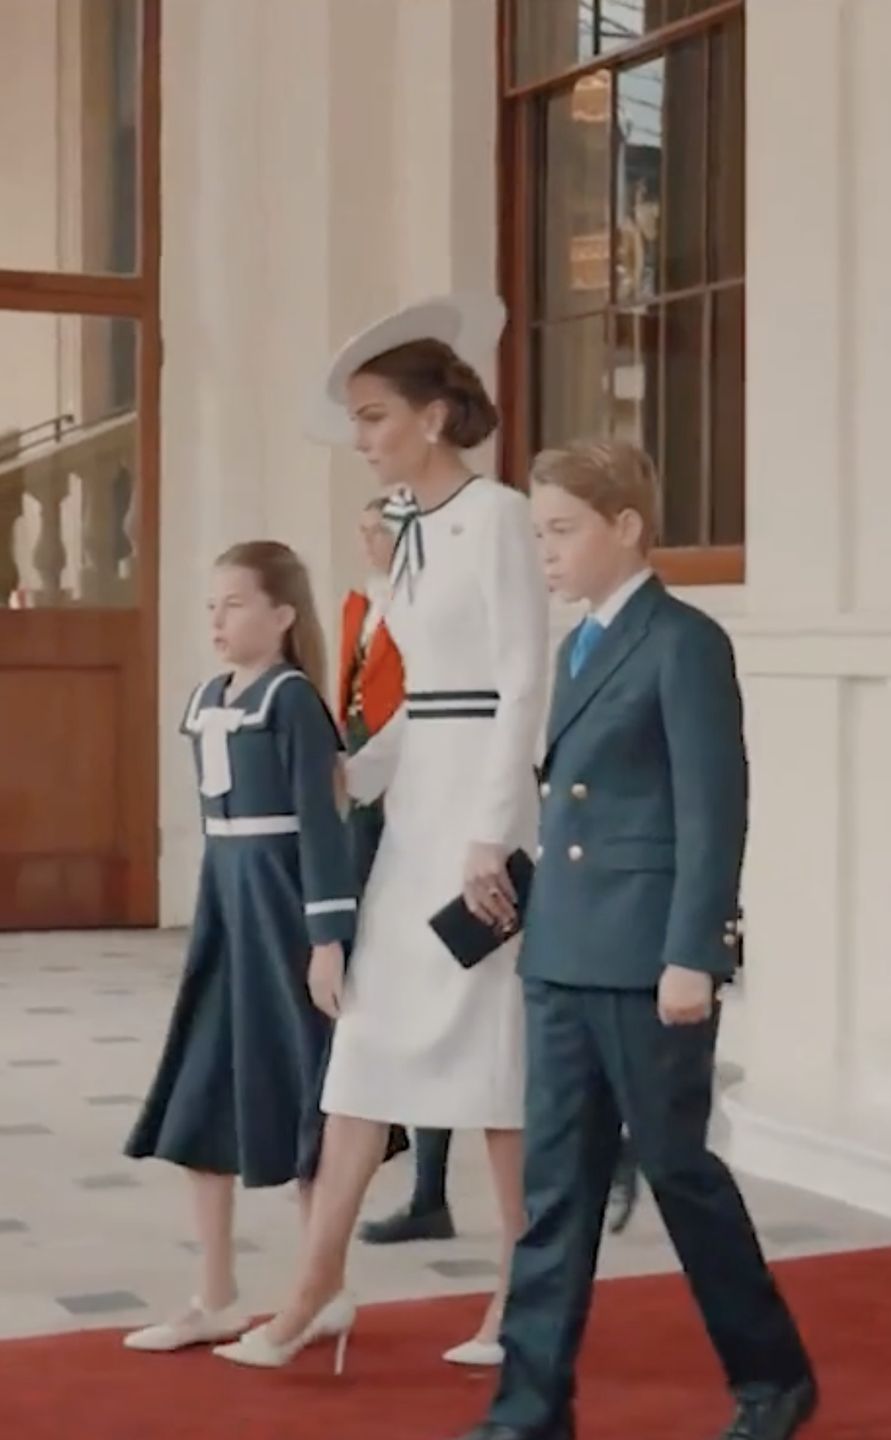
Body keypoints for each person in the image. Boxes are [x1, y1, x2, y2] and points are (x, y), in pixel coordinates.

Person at [451, 441, 817, 1440]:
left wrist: (694, 951)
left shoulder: (682, 640)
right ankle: (526, 1412)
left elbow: (712, 812)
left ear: (625, 526)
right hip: (563, 955)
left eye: (562, 530)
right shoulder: (579, 646)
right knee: (554, 1192)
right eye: (536, 534)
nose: (545, 553)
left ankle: (773, 1377)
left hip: (648, 960)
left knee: (679, 1173)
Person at [215, 292, 549, 1373]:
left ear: (435, 417)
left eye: (373, 417)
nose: (360, 439)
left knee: (495, 1066)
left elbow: (517, 679)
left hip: (482, 821)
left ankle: (522, 1298)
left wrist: (492, 835)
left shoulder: (499, 514)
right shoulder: (407, 535)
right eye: (357, 420)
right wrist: (359, 770)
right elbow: (422, 694)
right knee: (362, 1040)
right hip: (419, 818)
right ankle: (314, 1288)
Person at [123, 542, 358, 1363]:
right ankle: (215, 1294)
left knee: (303, 1082)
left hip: (281, 908)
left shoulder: (292, 702)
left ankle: (319, 1289)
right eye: (212, 605)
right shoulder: (207, 698)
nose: (218, 620)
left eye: (236, 604)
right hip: (226, 900)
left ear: (283, 615)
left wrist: (327, 939)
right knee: (204, 1081)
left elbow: (323, 828)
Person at [339, 496, 456, 1241]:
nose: (371, 539)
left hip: (421, 792)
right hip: (368, 783)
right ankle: (386, 1133)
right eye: (369, 525)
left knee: (438, 986)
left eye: (385, 528)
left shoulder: (437, 613)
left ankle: (427, 1184)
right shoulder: (361, 604)